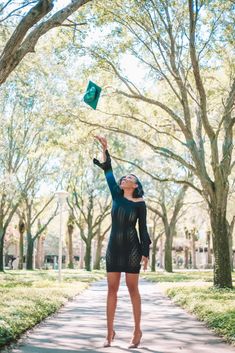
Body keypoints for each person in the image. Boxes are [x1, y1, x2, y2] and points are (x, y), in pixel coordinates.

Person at [93, 136, 151, 348]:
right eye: (123, 177)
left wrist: (145, 252)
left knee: (132, 289)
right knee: (111, 290)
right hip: (113, 249)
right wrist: (105, 149)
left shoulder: (140, 203)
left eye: (129, 178)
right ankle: (109, 333)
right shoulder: (116, 196)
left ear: (135, 185)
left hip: (133, 249)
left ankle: (137, 331)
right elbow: (108, 172)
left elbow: (143, 229)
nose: (124, 179)